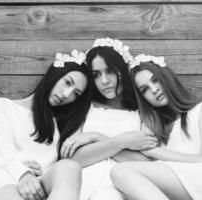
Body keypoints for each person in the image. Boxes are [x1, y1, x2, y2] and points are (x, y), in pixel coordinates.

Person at [110, 54, 202, 200]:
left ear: (167, 78)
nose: (154, 90)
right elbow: (145, 164)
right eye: (145, 90)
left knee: (120, 172)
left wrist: (156, 153)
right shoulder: (158, 127)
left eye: (156, 81)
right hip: (186, 184)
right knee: (122, 178)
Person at [0, 50, 93, 200]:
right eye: (67, 82)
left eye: (76, 94)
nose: (67, 94)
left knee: (70, 167)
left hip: (38, 186)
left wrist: (95, 136)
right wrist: (24, 173)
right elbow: (2, 151)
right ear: (55, 74)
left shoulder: (63, 126)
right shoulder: (3, 106)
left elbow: (59, 169)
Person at [60, 38, 157, 200]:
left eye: (110, 71)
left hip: (121, 186)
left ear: (122, 70)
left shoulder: (144, 112)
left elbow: (146, 162)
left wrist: (95, 137)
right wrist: (123, 142)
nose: (104, 81)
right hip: (82, 183)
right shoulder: (85, 108)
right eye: (96, 75)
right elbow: (74, 158)